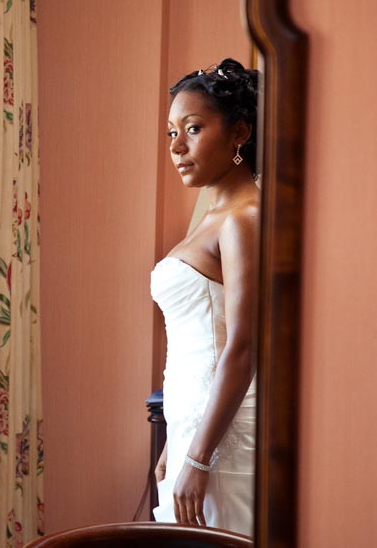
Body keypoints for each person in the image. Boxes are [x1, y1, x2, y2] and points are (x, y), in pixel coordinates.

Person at [151, 58, 259, 537]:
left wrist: (200, 454)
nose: (176, 146)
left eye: (192, 129)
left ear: (239, 133)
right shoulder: (215, 217)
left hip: (224, 438)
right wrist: (177, 440)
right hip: (193, 424)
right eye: (172, 131)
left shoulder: (245, 218)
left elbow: (242, 346)